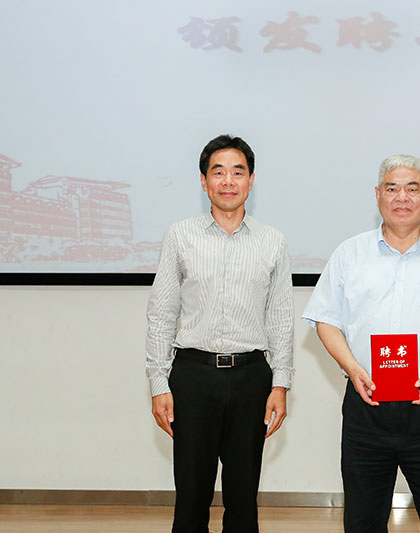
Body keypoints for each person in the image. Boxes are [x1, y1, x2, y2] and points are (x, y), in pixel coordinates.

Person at [302, 154, 420, 533]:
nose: (402, 197)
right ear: (377, 195)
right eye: (392, 189)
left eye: (411, 188)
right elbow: (325, 320)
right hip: (367, 407)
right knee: (362, 521)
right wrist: (351, 367)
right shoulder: (349, 254)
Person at [146, 135, 294, 533]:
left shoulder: (273, 241)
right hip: (193, 376)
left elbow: (281, 317)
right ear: (203, 181)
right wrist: (159, 383)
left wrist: (280, 383)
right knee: (191, 501)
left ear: (251, 180)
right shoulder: (180, 236)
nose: (228, 181)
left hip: (251, 378)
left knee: (243, 501)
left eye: (238, 172)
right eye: (218, 172)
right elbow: (162, 313)